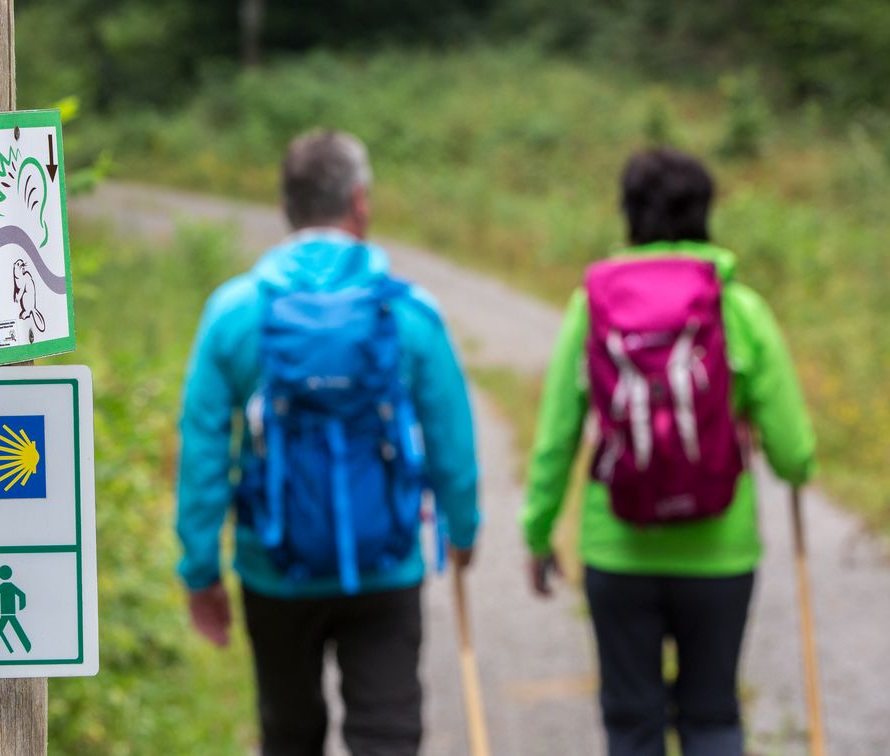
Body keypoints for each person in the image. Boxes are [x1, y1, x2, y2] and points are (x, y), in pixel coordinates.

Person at [176, 130, 481, 755]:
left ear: (287, 206)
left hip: (275, 568)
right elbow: (451, 435)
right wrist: (463, 529)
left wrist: (200, 568)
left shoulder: (235, 312)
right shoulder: (408, 311)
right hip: (386, 562)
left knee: (290, 734)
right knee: (388, 734)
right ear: (360, 202)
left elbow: (204, 449)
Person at [521, 148, 816, 756]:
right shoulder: (739, 309)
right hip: (720, 551)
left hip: (618, 548)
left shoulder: (591, 310)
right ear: (708, 215)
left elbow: (556, 438)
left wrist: (538, 531)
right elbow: (796, 453)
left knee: (633, 724)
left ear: (627, 215)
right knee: (711, 717)